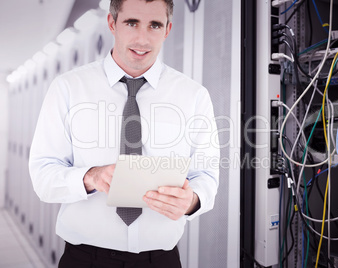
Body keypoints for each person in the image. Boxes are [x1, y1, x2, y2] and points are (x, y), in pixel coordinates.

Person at [28, 0, 219, 267]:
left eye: (155, 25)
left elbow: (206, 175)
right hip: (85, 259)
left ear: (167, 29)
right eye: (131, 23)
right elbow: (42, 176)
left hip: (161, 260)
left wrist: (192, 201)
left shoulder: (193, 96)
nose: (142, 38)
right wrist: (90, 177)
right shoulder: (68, 88)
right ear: (112, 23)